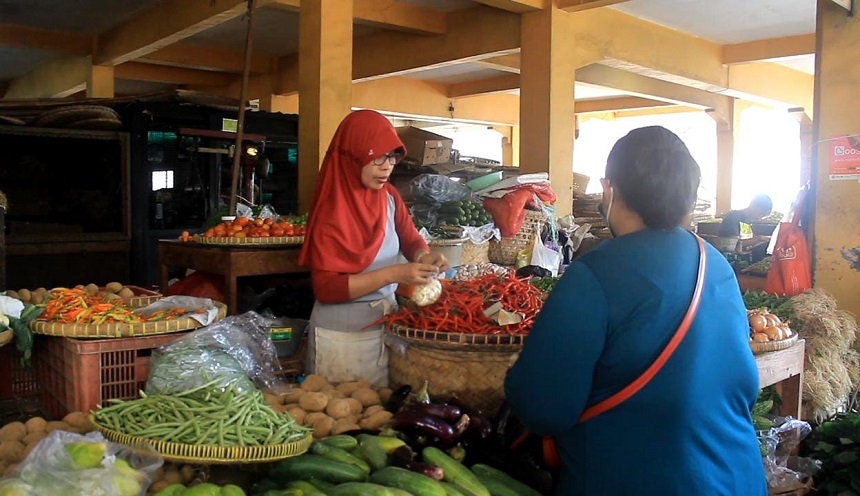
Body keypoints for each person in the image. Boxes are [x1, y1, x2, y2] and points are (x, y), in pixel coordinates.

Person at [505, 126, 766, 495]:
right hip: (737, 478)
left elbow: (544, 409)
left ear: (608, 189)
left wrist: (517, 373)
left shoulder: (594, 275)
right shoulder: (716, 264)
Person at [298, 109, 449, 386]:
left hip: (385, 325)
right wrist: (394, 274)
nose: (387, 166)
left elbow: (410, 238)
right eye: (377, 156)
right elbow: (327, 288)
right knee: (342, 416)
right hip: (341, 336)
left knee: (379, 414)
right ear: (353, 156)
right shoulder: (331, 212)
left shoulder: (389, 197)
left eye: (392, 156)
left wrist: (424, 256)